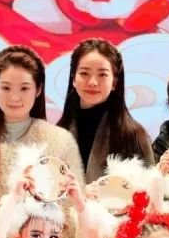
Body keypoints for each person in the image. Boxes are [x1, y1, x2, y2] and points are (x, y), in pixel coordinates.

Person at [0, 45, 83, 238]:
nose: (14, 97)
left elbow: (70, 214)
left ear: (38, 90)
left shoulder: (60, 141)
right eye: (6, 88)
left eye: (24, 88)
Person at [58, 38, 154, 183]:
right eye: (84, 73)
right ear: (73, 79)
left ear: (114, 82)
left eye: (102, 74)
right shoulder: (58, 132)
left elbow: (149, 190)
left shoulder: (132, 135)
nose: (92, 82)